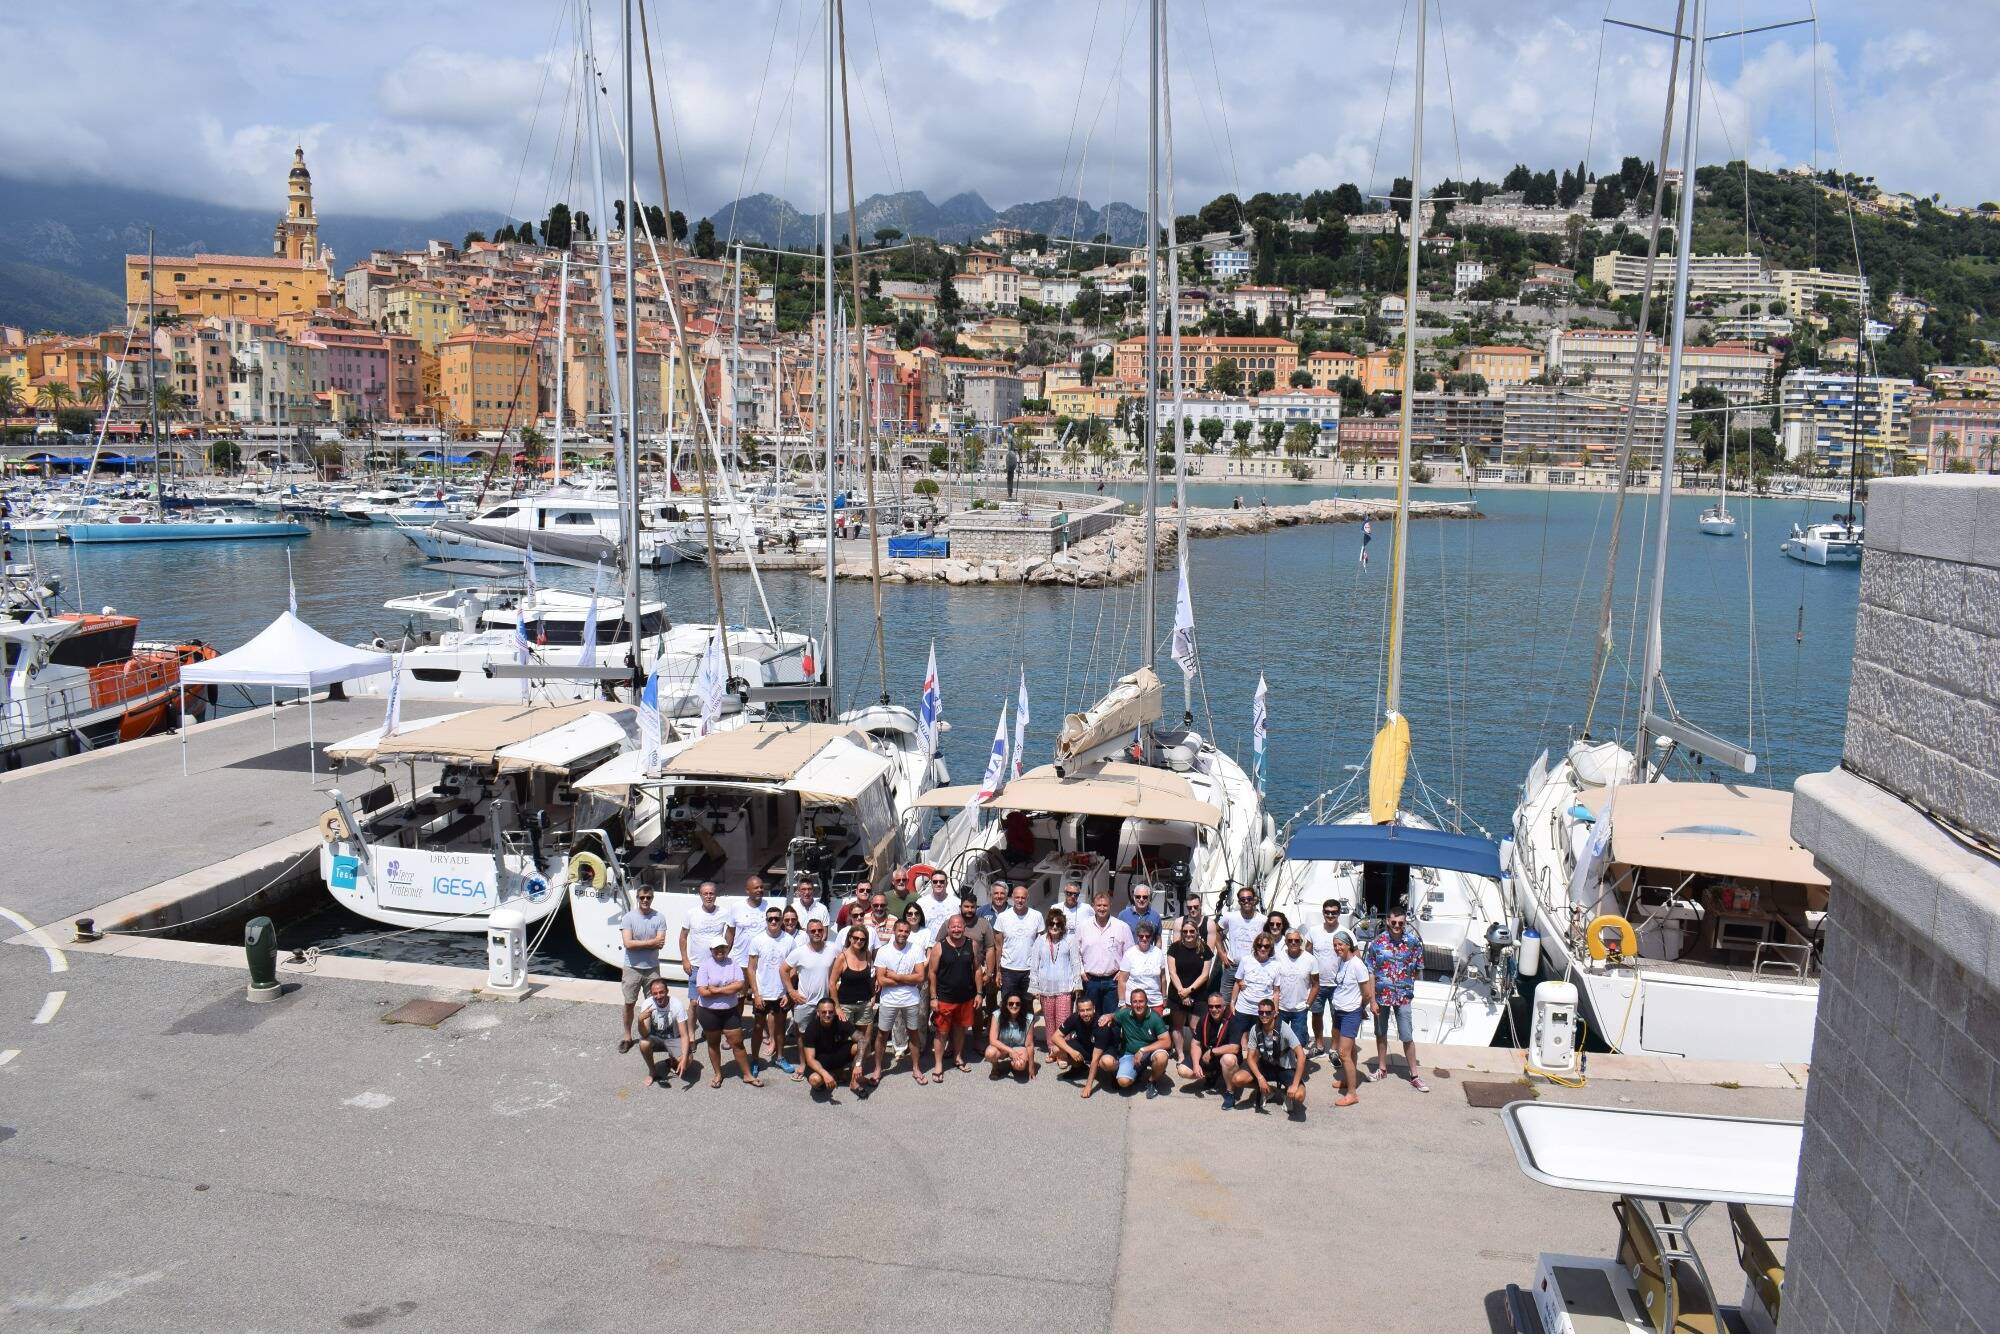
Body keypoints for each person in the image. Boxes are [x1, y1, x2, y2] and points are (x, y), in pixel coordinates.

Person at [1365, 908, 1430, 1091]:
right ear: (1388, 921)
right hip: (1381, 996)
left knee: (1407, 1035)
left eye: (1400, 923)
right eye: (1394, 922)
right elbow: (1370, 972)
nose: (1397, 926)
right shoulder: (1377, 943)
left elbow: (1417, 968)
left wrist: (1405, 984)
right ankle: (1382, 1068)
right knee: (1381, 1033)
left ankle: (1414, 1075)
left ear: (1405, 923)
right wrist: (1372, 1000)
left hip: (1403, 997)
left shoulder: (1413, 942)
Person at [692, 939, 758, 1088]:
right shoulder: (705, 966)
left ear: (727, 948)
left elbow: (739, 985)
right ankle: (718, 1073)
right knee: (713, 1044)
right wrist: (727, 988)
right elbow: (703, 991)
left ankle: (747, 1075)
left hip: (730, 1012)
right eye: (716, 948)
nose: (720, 950)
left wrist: (716, 989)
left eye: (722, 947)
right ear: (711, 950)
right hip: (709, 1012)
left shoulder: (733, 964)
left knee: (738, 1043)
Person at [927, 911, 984, 1079]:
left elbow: (977, 970)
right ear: (948, 928)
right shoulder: (940, 946)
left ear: (964, 927)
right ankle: (938, 1064)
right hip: (945, 998)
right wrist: (933, 997)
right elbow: (932, 973)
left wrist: (979, 993)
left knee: (960, 1029)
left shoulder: (971, 944)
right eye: (953, 926)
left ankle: (958, 1057)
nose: (957, 929)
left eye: (960, 926)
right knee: (941, 1032)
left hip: (966, 997)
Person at [873, 919, 929, 1084]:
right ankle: (877, 1068)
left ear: (909, 933)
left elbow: (920, 977)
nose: (903, 934)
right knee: (882, 1034)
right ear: (894, 931)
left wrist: (896, 976)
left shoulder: (916, 949)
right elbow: (881, 981)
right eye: (900, 931)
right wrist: (908, 979)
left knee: (913, 1033)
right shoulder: (884, 951)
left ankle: (916, 1067)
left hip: (910, 1000)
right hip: (889, 1000)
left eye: (906, 931)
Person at [781, 918, 838, 1081]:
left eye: (820, 930)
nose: (817, 933)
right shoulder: (799, 952)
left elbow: (842, 965)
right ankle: (803, 1063)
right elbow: (783, 969)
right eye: (813, 931)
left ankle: (822, 1064)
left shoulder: (832, 949)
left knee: (826, 1034)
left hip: (826, 1003)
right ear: (807, 932)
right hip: (804, 1001)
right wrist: (791, 991)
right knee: (802, 1035)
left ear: (824, 931)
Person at [744, 906, 797, 1075]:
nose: (773, 921)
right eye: (770, 919)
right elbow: (751, 969)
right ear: (766, 921)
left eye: (776, 918)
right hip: (763, 994)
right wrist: (756, 994)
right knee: (758, 1027)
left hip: (781, 993)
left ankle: (780, 1057)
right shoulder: (757, 940)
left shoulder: (789, 941)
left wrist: (788, 993)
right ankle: (755, 1060)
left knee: (780, 1028)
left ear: (782, 920)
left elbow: (794, 968)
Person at [1232, 997, 1307, 1113]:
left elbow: (1301, 1056)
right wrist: (1260, 1078)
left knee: (1299, 1096)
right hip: (1265, 1065)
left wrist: (1295, 1084)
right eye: (1261, 1012)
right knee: (1237, 1079)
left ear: (1274, 1013)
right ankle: (1269, 1090)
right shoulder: (1255, 1029)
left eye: (1268, 1012)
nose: (1264, 1015)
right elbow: (1250, 1058)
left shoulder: (1284, 1028)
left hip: (1284, 1067)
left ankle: (1287, 1094)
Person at [1324, 929, 1373, 1107]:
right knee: (1350, 1051)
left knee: (1343, 1053)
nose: (1337, 948)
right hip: (1340, 1010)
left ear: (1348, 945)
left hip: (1351, 1012)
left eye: (1340, 944)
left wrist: (1359, 1009)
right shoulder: (1342, 962)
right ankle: (1347, 1080)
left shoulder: (1357, 964)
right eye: (1335, 945)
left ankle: (1352, 1094)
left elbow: (1366, 993)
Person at [616, 887, 667, 1053]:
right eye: (643, 897)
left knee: (654, 1003)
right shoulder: (628, 918)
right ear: (638, 898)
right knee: (629, 1003)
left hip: (652, 968)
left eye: (649, 897)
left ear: (652, 898)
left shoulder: (659, 917)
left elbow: (661, 943)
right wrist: (651, 942)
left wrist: (638, 944)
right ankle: (627, 1037)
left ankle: (651, 1035)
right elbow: (628, 944)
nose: (645, 900)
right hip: (632, 968)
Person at [827, 926, 877, 1084]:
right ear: (850, 938)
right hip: (845, 1005)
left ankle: (856, 1073)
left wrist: (873, 996)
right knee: (841, 1040)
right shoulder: (842, 957)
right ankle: (839, 1070)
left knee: (863, 1041)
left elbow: (869, 978)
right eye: (855, 938)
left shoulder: (867, 955)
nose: (858, 941)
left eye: (862, 939)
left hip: (864, 1004)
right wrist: (836, 1007)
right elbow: (832, 983)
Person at [1165, 915, 1215, 1073]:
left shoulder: (1205, 949)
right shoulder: (1174, 947)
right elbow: (1172, 972)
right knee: (1177, 1026)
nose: (1188, 934)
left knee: (1196, 1027)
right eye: (1185, 931)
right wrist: (1182, 993)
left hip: (1198, 993)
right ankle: (1180, 1055)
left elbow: (1205, 975)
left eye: (1191, 931)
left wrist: (1189, 991)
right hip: (1177, 992)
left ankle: (1196, 1056)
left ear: (1197, 931)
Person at [1029, 907, 1082, 1052]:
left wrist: (1077, 986)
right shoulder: (1040, 940)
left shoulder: (1069, 940)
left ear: (1062, 926)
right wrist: (1034, 988)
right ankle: (1052, 1049)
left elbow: (1075, 963)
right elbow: (1034, 964)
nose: (1055, 927)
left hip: (1065, 988)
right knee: (1049, 1021)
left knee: (1063, 1021)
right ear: (1047, 924)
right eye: (1052, 924)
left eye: (1058, 924)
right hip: (1046, 989)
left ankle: (1063, 1052)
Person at [1076, 892, 1135, 1018]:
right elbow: (1076, 951)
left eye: (1105, 905)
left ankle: (1110, 1039)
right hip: (1090, 981)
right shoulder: (1083, 926)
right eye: (1098, 905)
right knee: (1089, 1017)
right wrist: (1081, 970)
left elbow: (1130, 954)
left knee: (1112, 1018)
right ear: (1093, 906)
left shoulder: (1122, 927)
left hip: (1113, 982)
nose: (1102, 908)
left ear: (1110, 906)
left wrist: (1122, 972)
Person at [1106, 987, 1172, 1098]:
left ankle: (1152, 1081)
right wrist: (1107, 1016)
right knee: (1123, 1082)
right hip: (1130, 1054)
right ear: (1130, 1003)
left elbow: (1167, 1042)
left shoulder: (1155, 1017)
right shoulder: (1125, 1014)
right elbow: (1113, 1016)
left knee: (1162, 1057)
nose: (1138, 1005)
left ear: (1146, 1002)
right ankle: (1134, 1072)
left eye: (1141, 1001)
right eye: (1134, 1002)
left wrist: (1143, 1050)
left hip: (1150, 1053)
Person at [1303, 899, 1347, 1056]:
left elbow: (1355, 956)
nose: (1330, 915)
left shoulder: (1345, 932)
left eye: (1334, 912)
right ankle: (1320, 1045)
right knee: (1316, 1015)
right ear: (1323, 913)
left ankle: (1334, 1048)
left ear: (1339, 913)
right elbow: (1307, 954)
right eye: (1327, 912)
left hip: (1338, 985)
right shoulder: (1313, 931)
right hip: (1317, 984)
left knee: (1337, 1017)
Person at [633, 976, 689, 1087]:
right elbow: (644, 1034)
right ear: (652, 994)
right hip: (656, 1039)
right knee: (643, 1042)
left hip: (674, 1039)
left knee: (687, 1062)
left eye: (661, 992)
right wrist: (640, 1020)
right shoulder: (648, 1004)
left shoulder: (676, 1004)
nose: (658, 996)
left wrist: (685, 1058)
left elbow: (684, 1035)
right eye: (655, 993)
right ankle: (652, 1071)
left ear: (667, 991)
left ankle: (672, 1060)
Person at [1270, 929, 1321, 1050]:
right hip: (1281, 1008)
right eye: (1290, 940)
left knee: (1298, 1044)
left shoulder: (1311, 959)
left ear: (1301, 942)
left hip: (1300, 1010)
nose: (1293, 943)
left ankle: (1295, 1067)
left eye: (1296, 940)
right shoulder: (1277, 957)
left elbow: (1316, 985)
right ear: (1286, 942)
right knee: (1278, 1041)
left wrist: (1308, 1004)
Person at [1216, 886, 1267, 1005]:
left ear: (1254, 900)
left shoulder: (1263, 920)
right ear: (1239, 901)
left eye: (1249, 898)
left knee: (1250, 1002)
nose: (1246, 902)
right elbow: (1216, 931)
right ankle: (1226, 1024)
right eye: (1243, 899)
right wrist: (1221, 953)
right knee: (1225, 1002)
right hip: (1232, 966)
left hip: (1253, 968)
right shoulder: (1230, 917)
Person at [993, 883, 1044, 1000]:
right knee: (1008, 1003)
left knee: (1027, 1003)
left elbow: (1040, 946)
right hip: (1008, 970)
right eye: (1017, 897)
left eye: (1023, 898)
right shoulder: (1003, 917)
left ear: (1027, 898)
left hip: (1029, 970)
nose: (1020, 900)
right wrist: (998, 972)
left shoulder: (1037, 916)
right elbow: (998, 946)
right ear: (1012, 897)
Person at [799, 998, 859, 1098]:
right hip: (820, 1061)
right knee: (815, 1081)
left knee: (860, 1046)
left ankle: (853, 1079)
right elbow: (810, 1059)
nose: (827, 1015)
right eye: (824, 1012)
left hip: (836, 1054)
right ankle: (835, 1074)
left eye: (830, 1012)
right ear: (818, 1013)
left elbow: (862, 1040)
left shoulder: (841, 1021)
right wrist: (825, 1075)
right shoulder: (811, 1029)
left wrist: (858, 1064)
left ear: (834, 1012)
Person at [1228, 932, 1280, 1043]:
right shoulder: (1246, 960)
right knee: (1234, 1040)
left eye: (1266, 946)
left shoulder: (1276, 965)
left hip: (1262, 1011)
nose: (1262, 948)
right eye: (1259, 945)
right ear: (1255, 946)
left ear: (1270, 948)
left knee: (1260, 1043)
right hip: (1243, 1007)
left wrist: (1275, 1010)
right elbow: (1237, 982)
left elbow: (1276, 991)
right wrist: (1232, 1003)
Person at [1185, 991, 1238, 1098]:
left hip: (1225, 1056)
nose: (1214, 1009)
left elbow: (1235, 1048)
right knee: (1183, 1071)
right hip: (1208, 1057)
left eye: (1218, 1006)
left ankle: (1230, 1092)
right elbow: (1196, 1043)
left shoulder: (1233, 1020)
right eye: (1211, 1006)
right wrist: (1196, 1065)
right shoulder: (1204, 1019)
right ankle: (1211, 1075)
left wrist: (1213, 1052)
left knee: (1228, 1060)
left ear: (1224, 1007)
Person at [679, 880, 733, 984]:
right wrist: (685, 960)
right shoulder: (691, 913)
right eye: (705, 894)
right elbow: (683, 937)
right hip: (696, 965)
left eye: (711, 893)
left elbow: (731, 932)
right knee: (694, 1000)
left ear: (716, 895)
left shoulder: (724, 913)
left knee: (714, 998)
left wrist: (726, 952)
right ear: (700, 895)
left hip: (717, 964)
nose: (708, 896)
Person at [1047, 994, 1108, 1081]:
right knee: (1056, 1049)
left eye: (1088, 1010)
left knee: (1108, 1062)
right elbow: (1055, 1037)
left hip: (1099, 1051)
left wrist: (1088, 1086)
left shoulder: (1100, 1022)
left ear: (1094, 1008)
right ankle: (1079, 1068)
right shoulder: (1074, 1017)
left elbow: (1097, 1054)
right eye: (1082, 1010)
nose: (1085, 1013)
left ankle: (1113, 1075)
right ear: (1078, 1011)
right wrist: (1072, 1052)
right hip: (1083, 1047)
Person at [1116, 921, 1167, 1011]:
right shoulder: (1129, 954)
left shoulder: (1158, 953)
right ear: (1137, 936)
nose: (1144, 939)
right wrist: (1122, 1003)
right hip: (1134, 1003)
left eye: (1147, 936)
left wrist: (1164, 997)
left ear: (1151, 937)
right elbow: (1122, 980)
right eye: (1141, 936)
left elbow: (1163, 978)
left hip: (1154, 1001)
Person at [985, 991, 1037, 1079]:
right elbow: (993, 1040)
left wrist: (1031, 1067)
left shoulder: (1028, 1018)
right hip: (1002, 1047)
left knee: (1020, 1066)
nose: (1014, 1006)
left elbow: (1029, 1044)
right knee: (990, 1053)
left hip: (1019, 1047)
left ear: (1022, 1005)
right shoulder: (997, 1015)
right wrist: (1011, 1051)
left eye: (1017, 1004)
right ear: (1006, 1004)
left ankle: (1014, 1064)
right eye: (1011, 1003)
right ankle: (995, 1067)